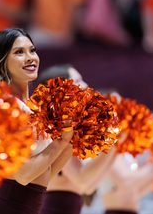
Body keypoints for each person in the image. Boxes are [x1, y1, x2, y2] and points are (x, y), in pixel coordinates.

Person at [0, 28, 74, 214]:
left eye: (32, 50)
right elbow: (23, 175)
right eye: (19, 52)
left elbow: (46, 174)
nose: (30, 57)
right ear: (2, 62)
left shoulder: (32, 108)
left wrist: (73, 138)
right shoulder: (5, 107)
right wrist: (61, 140)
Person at [37, 64, 119, 214]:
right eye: (78, 80)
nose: (85, 85)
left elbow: (89, 187)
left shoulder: (72, 128)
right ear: (62, 89)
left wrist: (116, 145)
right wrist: (114, 142)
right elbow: (81, 182)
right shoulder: (55, 130)